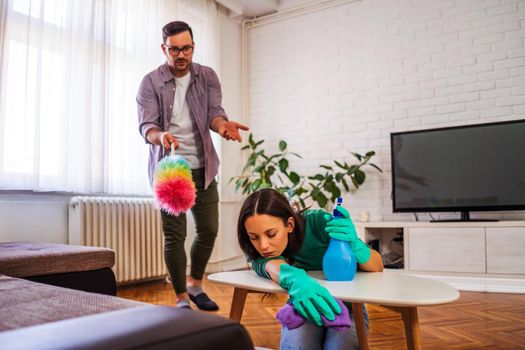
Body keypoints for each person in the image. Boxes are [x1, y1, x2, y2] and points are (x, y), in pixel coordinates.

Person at [137, 20, 249, 311]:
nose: (181, 55)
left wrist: (222, 126)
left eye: (186, 48)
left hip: (204, 168)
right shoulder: (150, 82)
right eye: (174, 49)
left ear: (193, 47)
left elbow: (215, 113)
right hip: (170, 171)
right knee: (175, 235)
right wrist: (161, 136)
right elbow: (146, 126)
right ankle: (181, 297)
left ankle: (196, 284)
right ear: (165, 48)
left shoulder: (207, 76)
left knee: (209, 229)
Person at [237, 189, 384, 349]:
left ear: (290, 225)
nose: (263, 245)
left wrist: (355, 244)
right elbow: (269, 264)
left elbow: (377, 265)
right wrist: (294, 279)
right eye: (254, 237)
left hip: (348, 309)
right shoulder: (254, 247)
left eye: (271, 234)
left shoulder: (319, 223)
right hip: (302, 306)